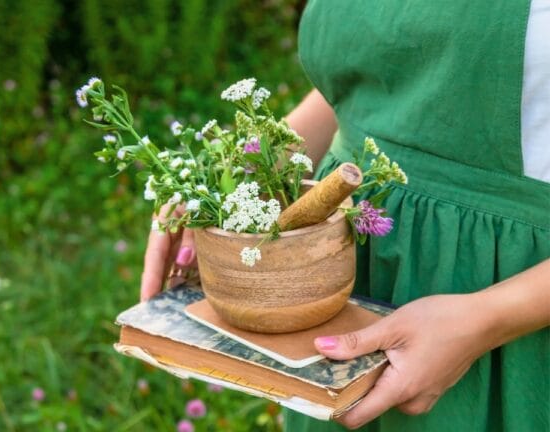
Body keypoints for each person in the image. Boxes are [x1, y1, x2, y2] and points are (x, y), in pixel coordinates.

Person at [139, 1, 550, 430]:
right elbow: (377, 75)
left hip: (505, 304)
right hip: (335, 280)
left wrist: (486, 319)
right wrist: (243, 173)